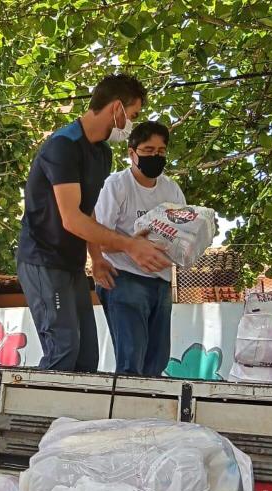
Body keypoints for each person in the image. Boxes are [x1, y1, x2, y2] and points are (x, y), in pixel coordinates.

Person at [17, 75, 171, 373]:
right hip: (42, 261)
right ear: (117, 109)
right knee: (63, 348)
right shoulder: (63, 146)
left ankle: (73, 421)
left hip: (72, 264)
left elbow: (90, 213)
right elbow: (71, 218)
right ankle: (39, 417)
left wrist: (97, 258)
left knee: (87, 358)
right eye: (133, 115)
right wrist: (130, 245)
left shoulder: (102, 153)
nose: (131, 124)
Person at [93, 120, 185, 377]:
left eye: (161, 151)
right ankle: (126, 414)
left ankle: (147, 415)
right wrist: (134, 247)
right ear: (131, 153)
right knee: (131, 362)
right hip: (123, 278)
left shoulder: (171, 189)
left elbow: (184, 232)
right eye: (147, 150)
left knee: (157, 362)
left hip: (161, 281)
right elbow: (98, 235)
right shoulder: (116, 185)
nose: (155, 156)